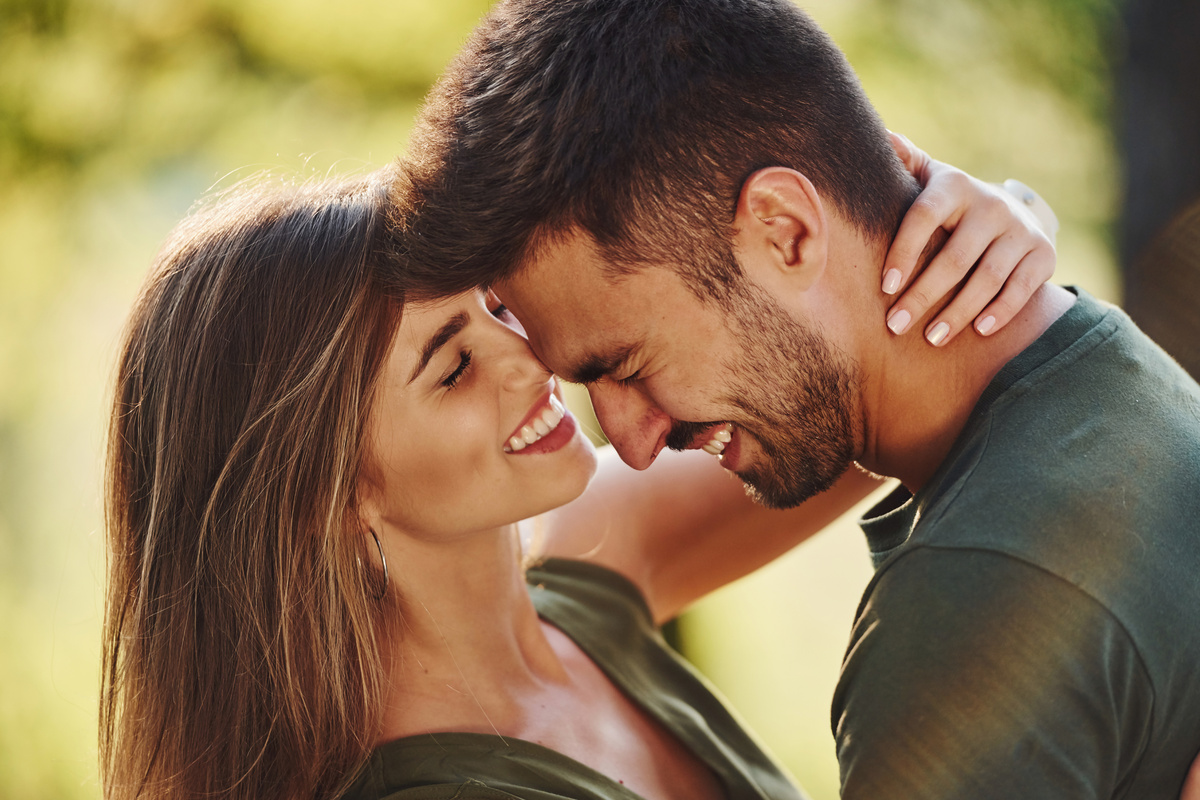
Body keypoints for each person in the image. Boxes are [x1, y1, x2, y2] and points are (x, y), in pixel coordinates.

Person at [394, 0, 1200, 796]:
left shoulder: (968, 622)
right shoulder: (1116, 379)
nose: (629, 444)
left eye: (626, 363)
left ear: (786, 231)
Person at [100, 142, 1060, 799]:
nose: (532, 358)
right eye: (453, 366)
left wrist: (998, 224)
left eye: (496, 307)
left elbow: (862, 383)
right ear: (321, 501)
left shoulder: (589, 575)